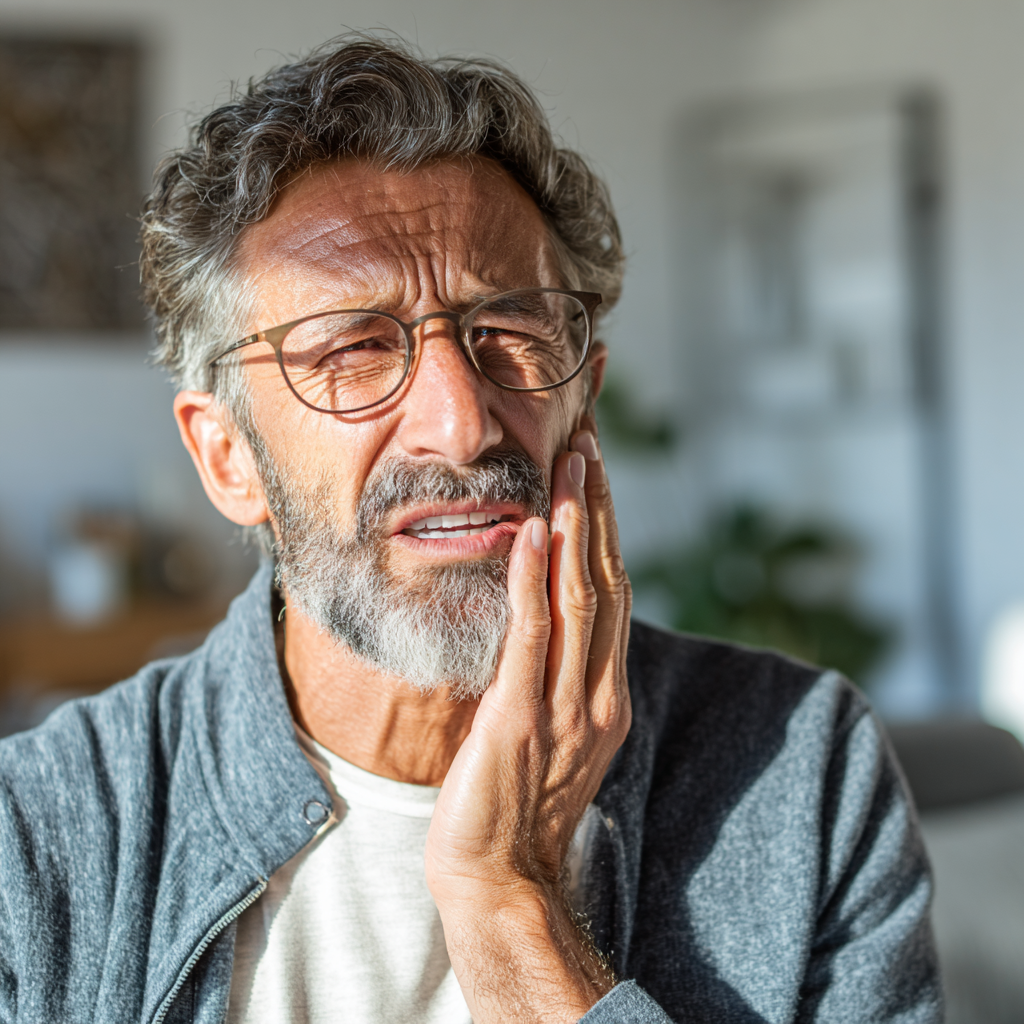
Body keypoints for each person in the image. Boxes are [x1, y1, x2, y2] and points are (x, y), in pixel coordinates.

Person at [0, 37, 941, 1024]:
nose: (464, 421)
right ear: (228, 456)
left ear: (583, 399)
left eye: (512, 332)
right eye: (353, 350)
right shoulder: (37, 839)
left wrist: (505, 899)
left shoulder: (800, 771)